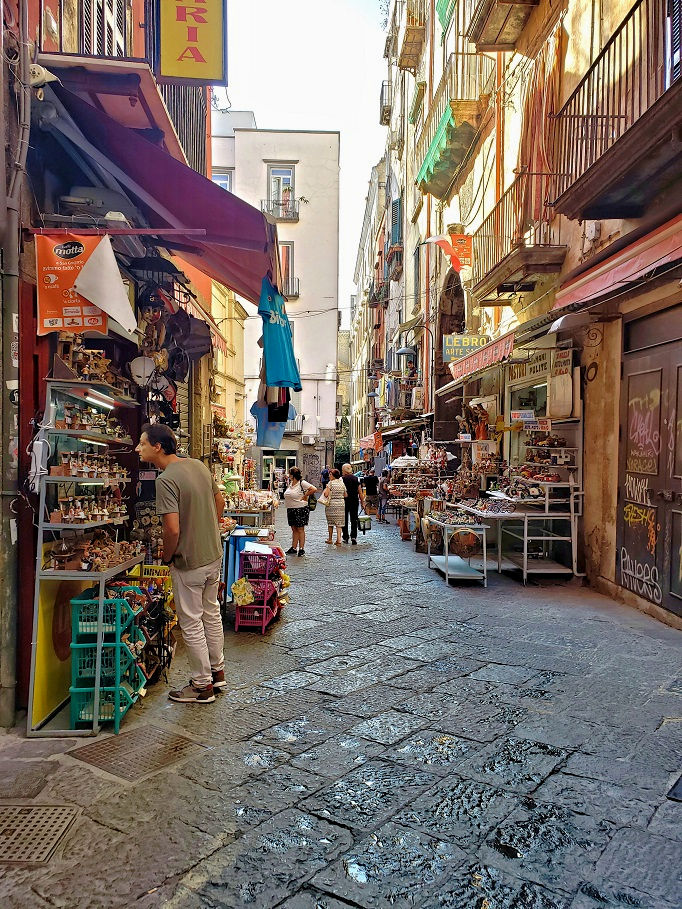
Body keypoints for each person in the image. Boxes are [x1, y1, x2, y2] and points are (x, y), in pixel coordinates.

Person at [135, 423, 225, 705]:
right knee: (211, 614)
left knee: (191, 622)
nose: (138, 448)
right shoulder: (198, 465)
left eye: (142, 443)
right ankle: (217, 672)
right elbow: (218, 501)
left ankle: (202, 686)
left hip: (189, 561)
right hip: (213, 554)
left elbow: (171, 530)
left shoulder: (165, 480)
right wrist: (208, 527)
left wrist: (166, 557)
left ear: (157, 447)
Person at [283, 466, 316, 556]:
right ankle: (293, 547)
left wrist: (305, 495)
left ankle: (301, 548)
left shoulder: (302, 483)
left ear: (293, 475)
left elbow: (314, 489)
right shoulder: (291, 484)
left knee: (300, 529)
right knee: (294, 528)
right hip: (291, 508)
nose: (288, 475)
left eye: (290, 474)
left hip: (300, 508)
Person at [341, 462, 365, 544]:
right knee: (354, 519)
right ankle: (354, 537)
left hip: (344, 501)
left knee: (344, 519)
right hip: (354, 501)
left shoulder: (341, 479)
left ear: (343, 470)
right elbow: (360, 492)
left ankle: (345, 537)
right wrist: (362, 502)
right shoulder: (356, 479)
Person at [323, 468, 346, 545]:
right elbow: (345, 495)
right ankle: (339, 540)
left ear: (333, 476)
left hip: (331, 504)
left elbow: (326, 494)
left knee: (330, 523)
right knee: (339, 523)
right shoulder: (342, 483)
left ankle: (330, 539)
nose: (329, 476)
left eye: (330, 474)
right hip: (340, 504)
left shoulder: (330, 483)